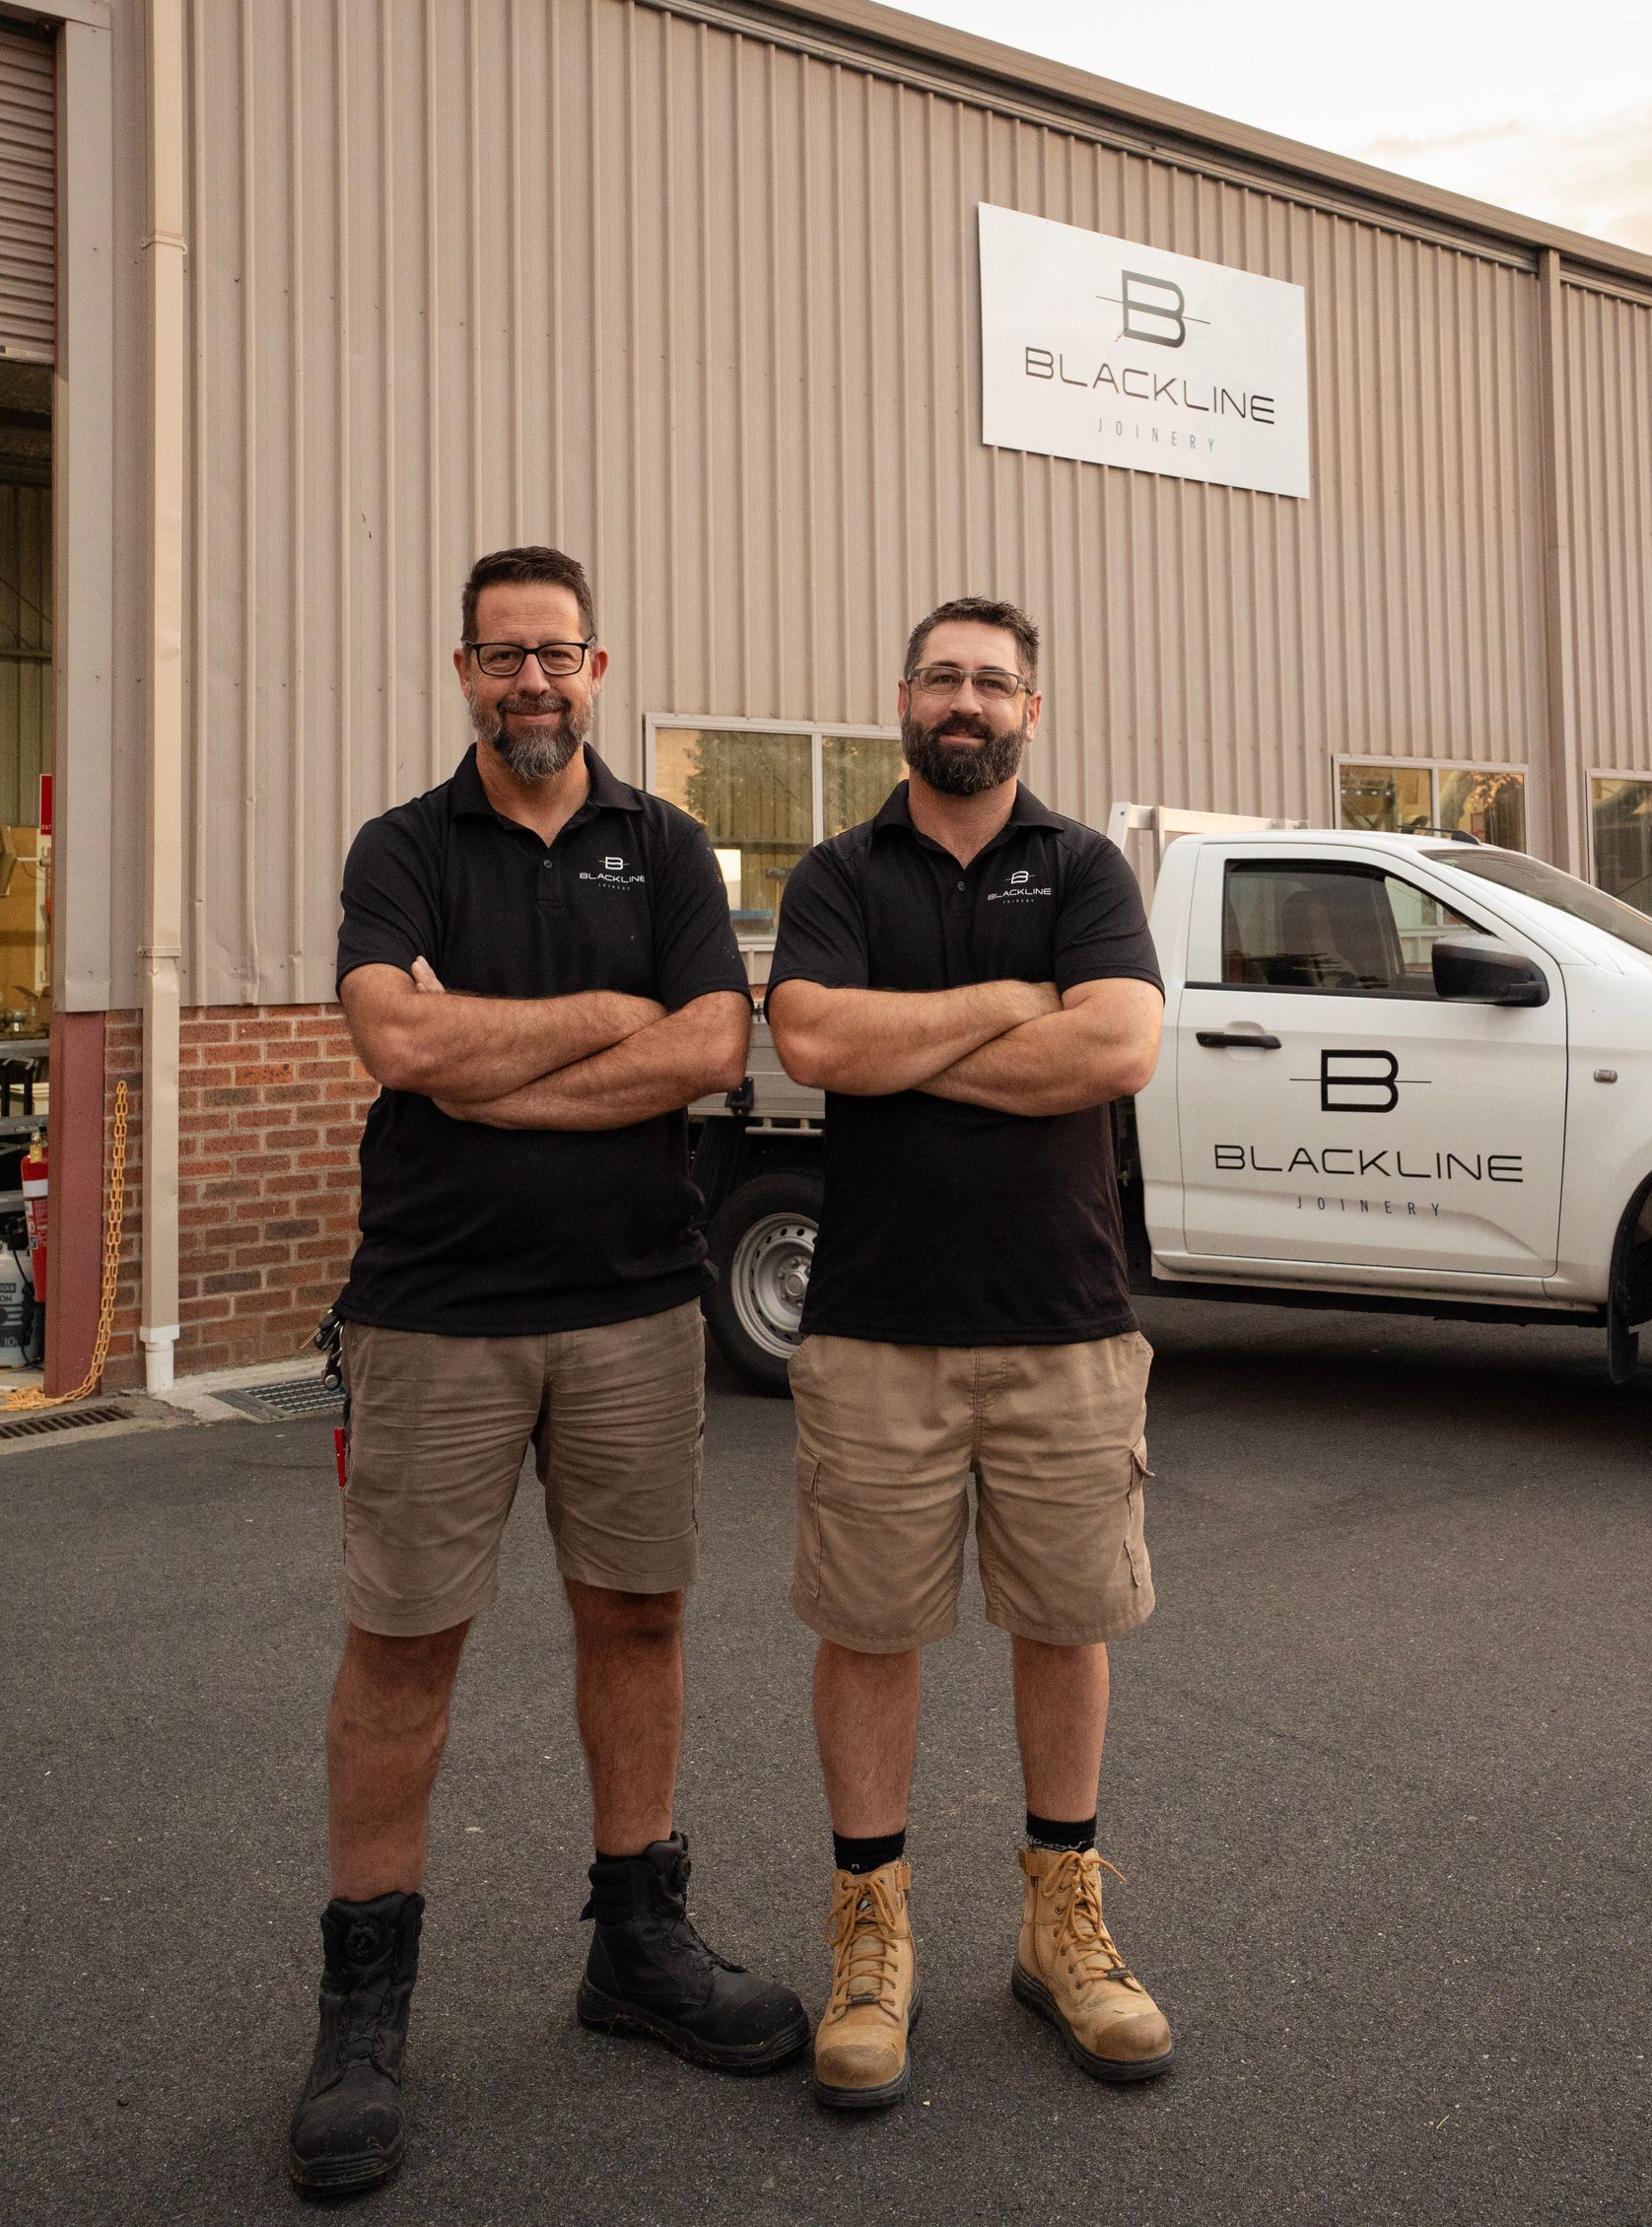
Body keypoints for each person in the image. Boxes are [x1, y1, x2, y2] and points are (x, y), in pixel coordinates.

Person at [287, 545, 808, 2203]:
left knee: (637, 1619)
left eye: (557, 657)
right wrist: (603, 1030)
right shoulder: (399, 848)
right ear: (463, 671)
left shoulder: (663, 845)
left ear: (599, 667)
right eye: (502, 657)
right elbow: (400, 1043)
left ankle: (633, 1948)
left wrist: (499, 1057)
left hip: (636, 1310)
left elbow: (713, 1047)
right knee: (403, 1650)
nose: (531, 683)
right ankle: (365, 2008)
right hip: (434, 1314)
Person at [766, 595, 1172, 2112]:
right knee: (869, 1629)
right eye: (943, 675)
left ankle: (1060, 1918)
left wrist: (915, 1037)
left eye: (993, 681)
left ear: (1030, 711)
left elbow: (1118, 1049)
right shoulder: (836, 873)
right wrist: (1014, 1005)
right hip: (877, 1326)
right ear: (902, 697)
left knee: (1067, 1622)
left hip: (1064, 1323)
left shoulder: (1083, 869)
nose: (966, 700)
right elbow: (811, 1043)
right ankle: (871, 1932)